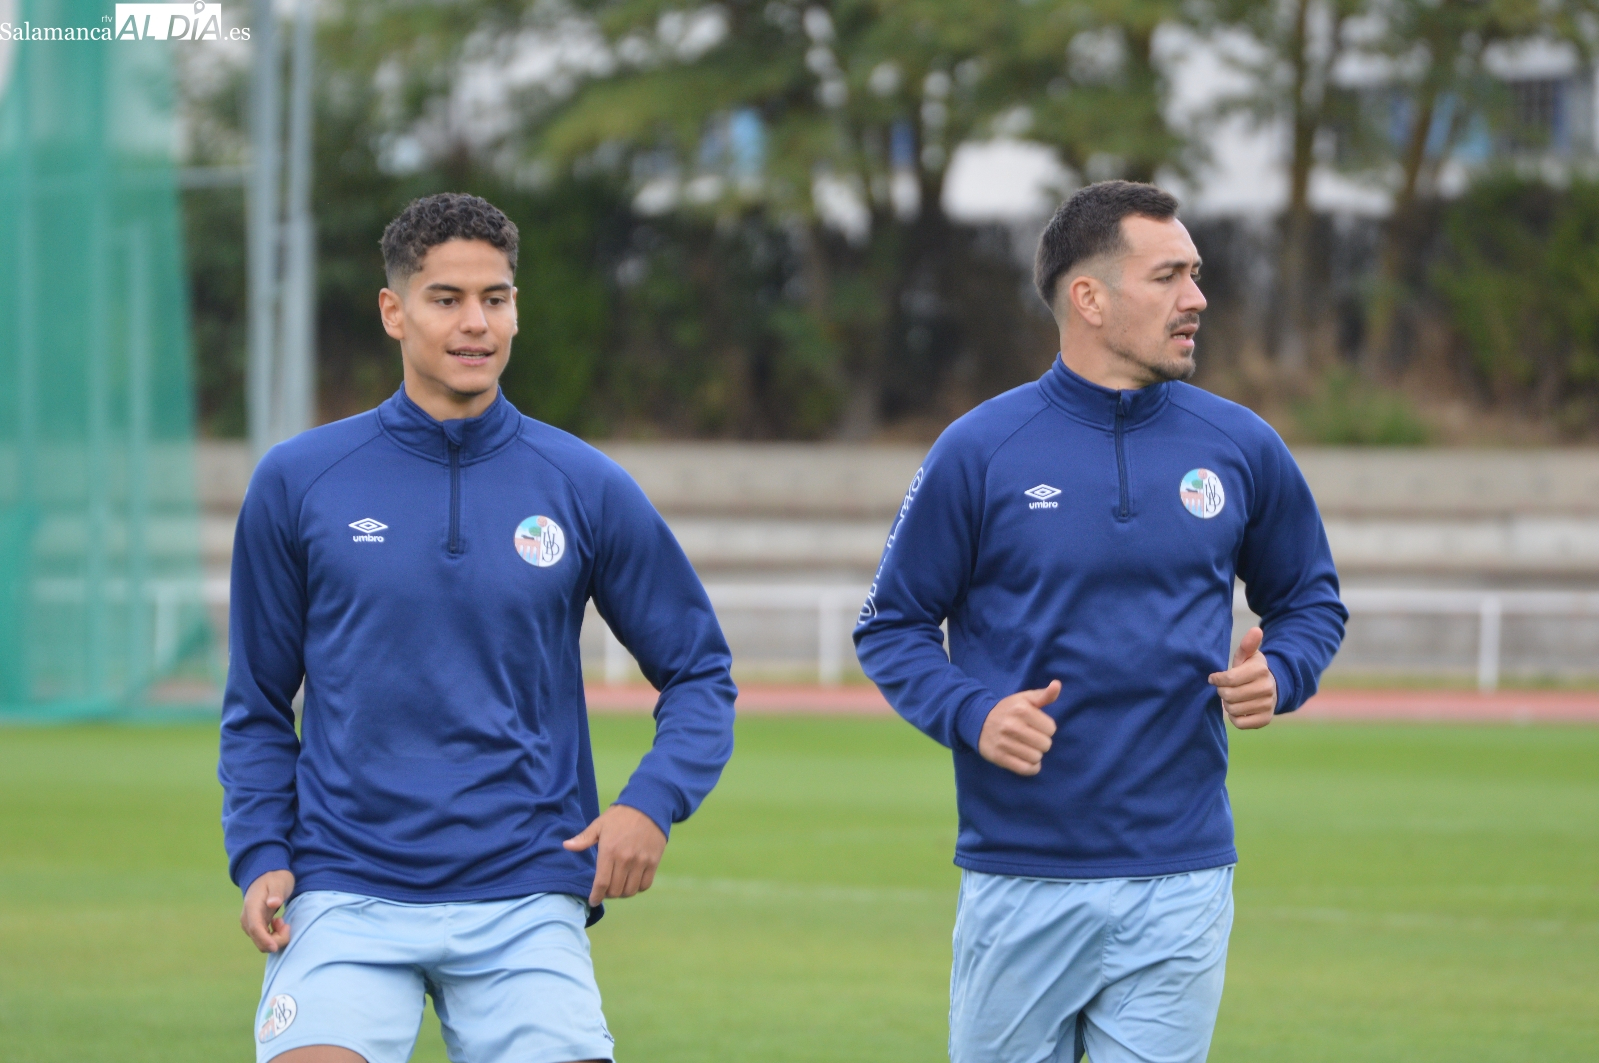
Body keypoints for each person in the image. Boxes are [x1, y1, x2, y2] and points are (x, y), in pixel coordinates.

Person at [219, 192, 737, 1063]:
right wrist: (261, 847)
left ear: (515, 310)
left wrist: (650, 803)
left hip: (525, 890)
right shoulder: (299, 480)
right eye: (447, 299)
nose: (475, 323)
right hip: (345, 884)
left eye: (495, 298)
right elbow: (258, 702)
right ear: (394, 311)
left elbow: (699, 671)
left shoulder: (584, 483)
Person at [853, 180, 1347, 1063]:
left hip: (1182, 872)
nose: (1196, 298)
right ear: (1088, 297)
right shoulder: (980, 450)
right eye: (1167, 277)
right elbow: (890, 624)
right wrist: (972, 712)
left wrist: (1284, 669)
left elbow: (1309, 598)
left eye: (1195, 273)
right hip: (1021, 872)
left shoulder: (1240, 445)